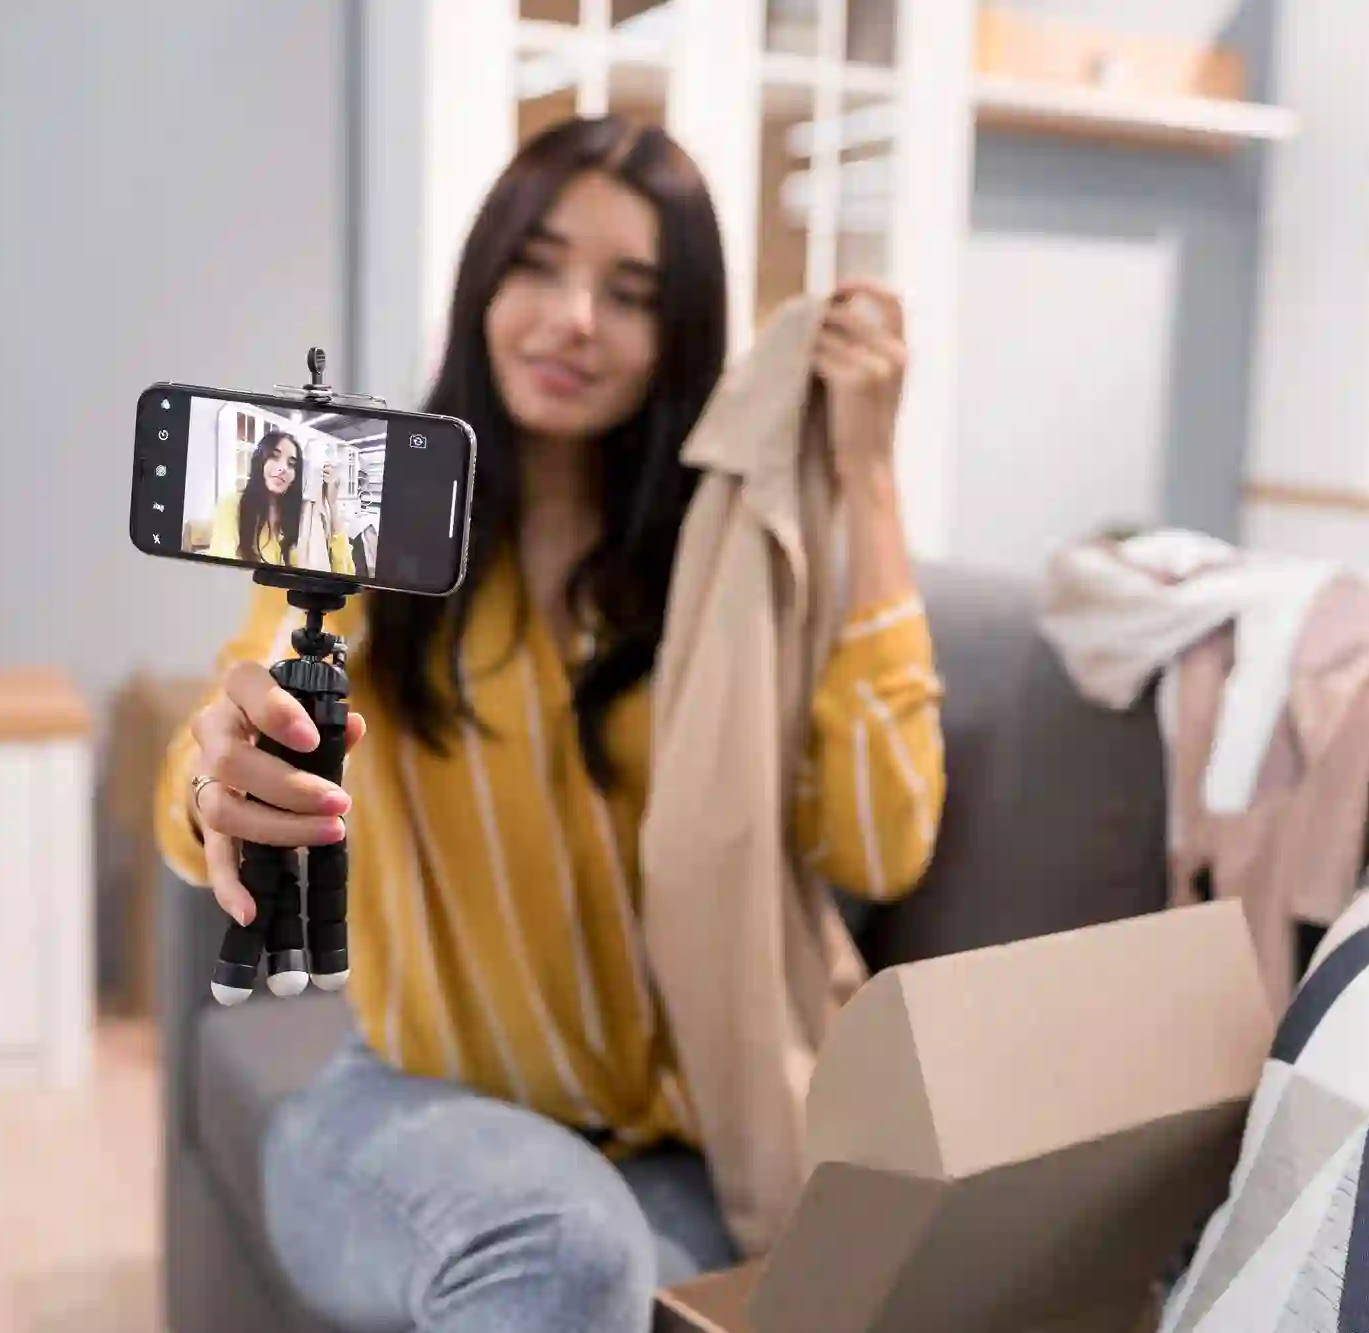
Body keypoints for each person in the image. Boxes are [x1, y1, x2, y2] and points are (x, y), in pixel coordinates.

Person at [155, 115, 945, 1332]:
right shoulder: (368, 521)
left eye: (629, 293)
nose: (573, 316)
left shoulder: (721, 574)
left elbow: (878, 843)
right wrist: (219, 776)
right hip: (404, 1111)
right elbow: (227, 734)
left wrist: (867, 475)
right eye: (537, 263)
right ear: (483, 280)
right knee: (560, 1246)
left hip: (679, 1152)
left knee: (596, 1261)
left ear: (677, 336)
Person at [206, 427, 354, 574]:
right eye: (274, 457)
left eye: (291, 464)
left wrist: (333, 504)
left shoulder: (302, 518)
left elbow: (345, 574)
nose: (283, 468)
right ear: (261, 462)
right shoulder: (234, 504)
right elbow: (221, 568)